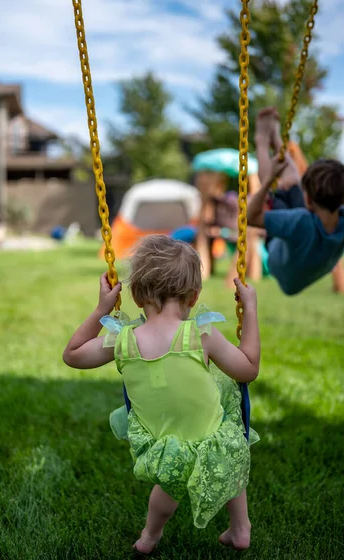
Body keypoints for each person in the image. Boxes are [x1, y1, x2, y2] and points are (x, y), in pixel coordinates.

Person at [63, 235, 260, 555]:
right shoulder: (202, 334)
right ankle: (240, 529)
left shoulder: (122, 340)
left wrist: (101, 308)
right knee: (231, 452)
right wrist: (249, 310)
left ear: (137, 296)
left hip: (162, 443)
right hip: (210, 433)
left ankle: (150, 536)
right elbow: (248, 369)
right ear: (194, 296)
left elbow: (72, 355)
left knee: (167, 489)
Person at [248, 108, 344, 295]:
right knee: (292, 184)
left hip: (280, 258)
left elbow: (251, 218)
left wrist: (268, 181)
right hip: (305, 262)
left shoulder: (297, 220)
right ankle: (276, 140)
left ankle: (262, 141)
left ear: (307, 198)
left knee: (282, 187)